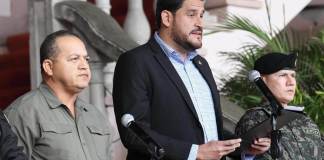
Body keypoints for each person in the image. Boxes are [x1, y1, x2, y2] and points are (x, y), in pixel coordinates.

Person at [113, 0, 270, 159]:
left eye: (201, 15)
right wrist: (195, 153)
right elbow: (133, 133)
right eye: (191, 14)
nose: (200, 23)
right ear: (167, 18)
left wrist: (245, 148)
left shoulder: (202, 65)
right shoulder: (136, 61)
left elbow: (210, 133)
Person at [4, 30, 113, 160]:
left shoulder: (95, 115)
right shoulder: (23, 112)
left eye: (86, 59)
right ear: (49, 67)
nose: (84, 66)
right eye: (74, 59)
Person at [235, 52, 324, 160]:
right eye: (282, 75)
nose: (291, 82)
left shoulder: (305, 120)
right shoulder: (255, 118)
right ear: (262, 81)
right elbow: (248, 152)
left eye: (293, 76)